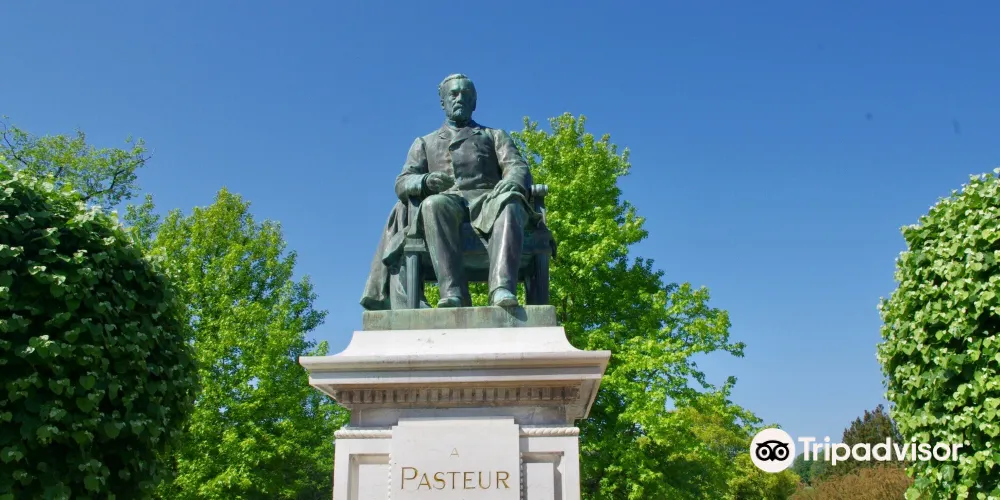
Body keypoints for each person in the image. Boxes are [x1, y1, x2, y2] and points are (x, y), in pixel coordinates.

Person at [393, 74, 537, 307]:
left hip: (489, 201)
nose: (459, 98)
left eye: (466, 94)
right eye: (453, 94)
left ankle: (501, 290)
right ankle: (453, 294)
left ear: (474, 102)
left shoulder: (494, 135)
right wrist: (425, 181)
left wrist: (512, 181)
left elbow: (517, 166)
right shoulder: (425, 142)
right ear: (443, 102)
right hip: (448, 202)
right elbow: (402, 182)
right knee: (433, 204)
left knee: (510, 202)